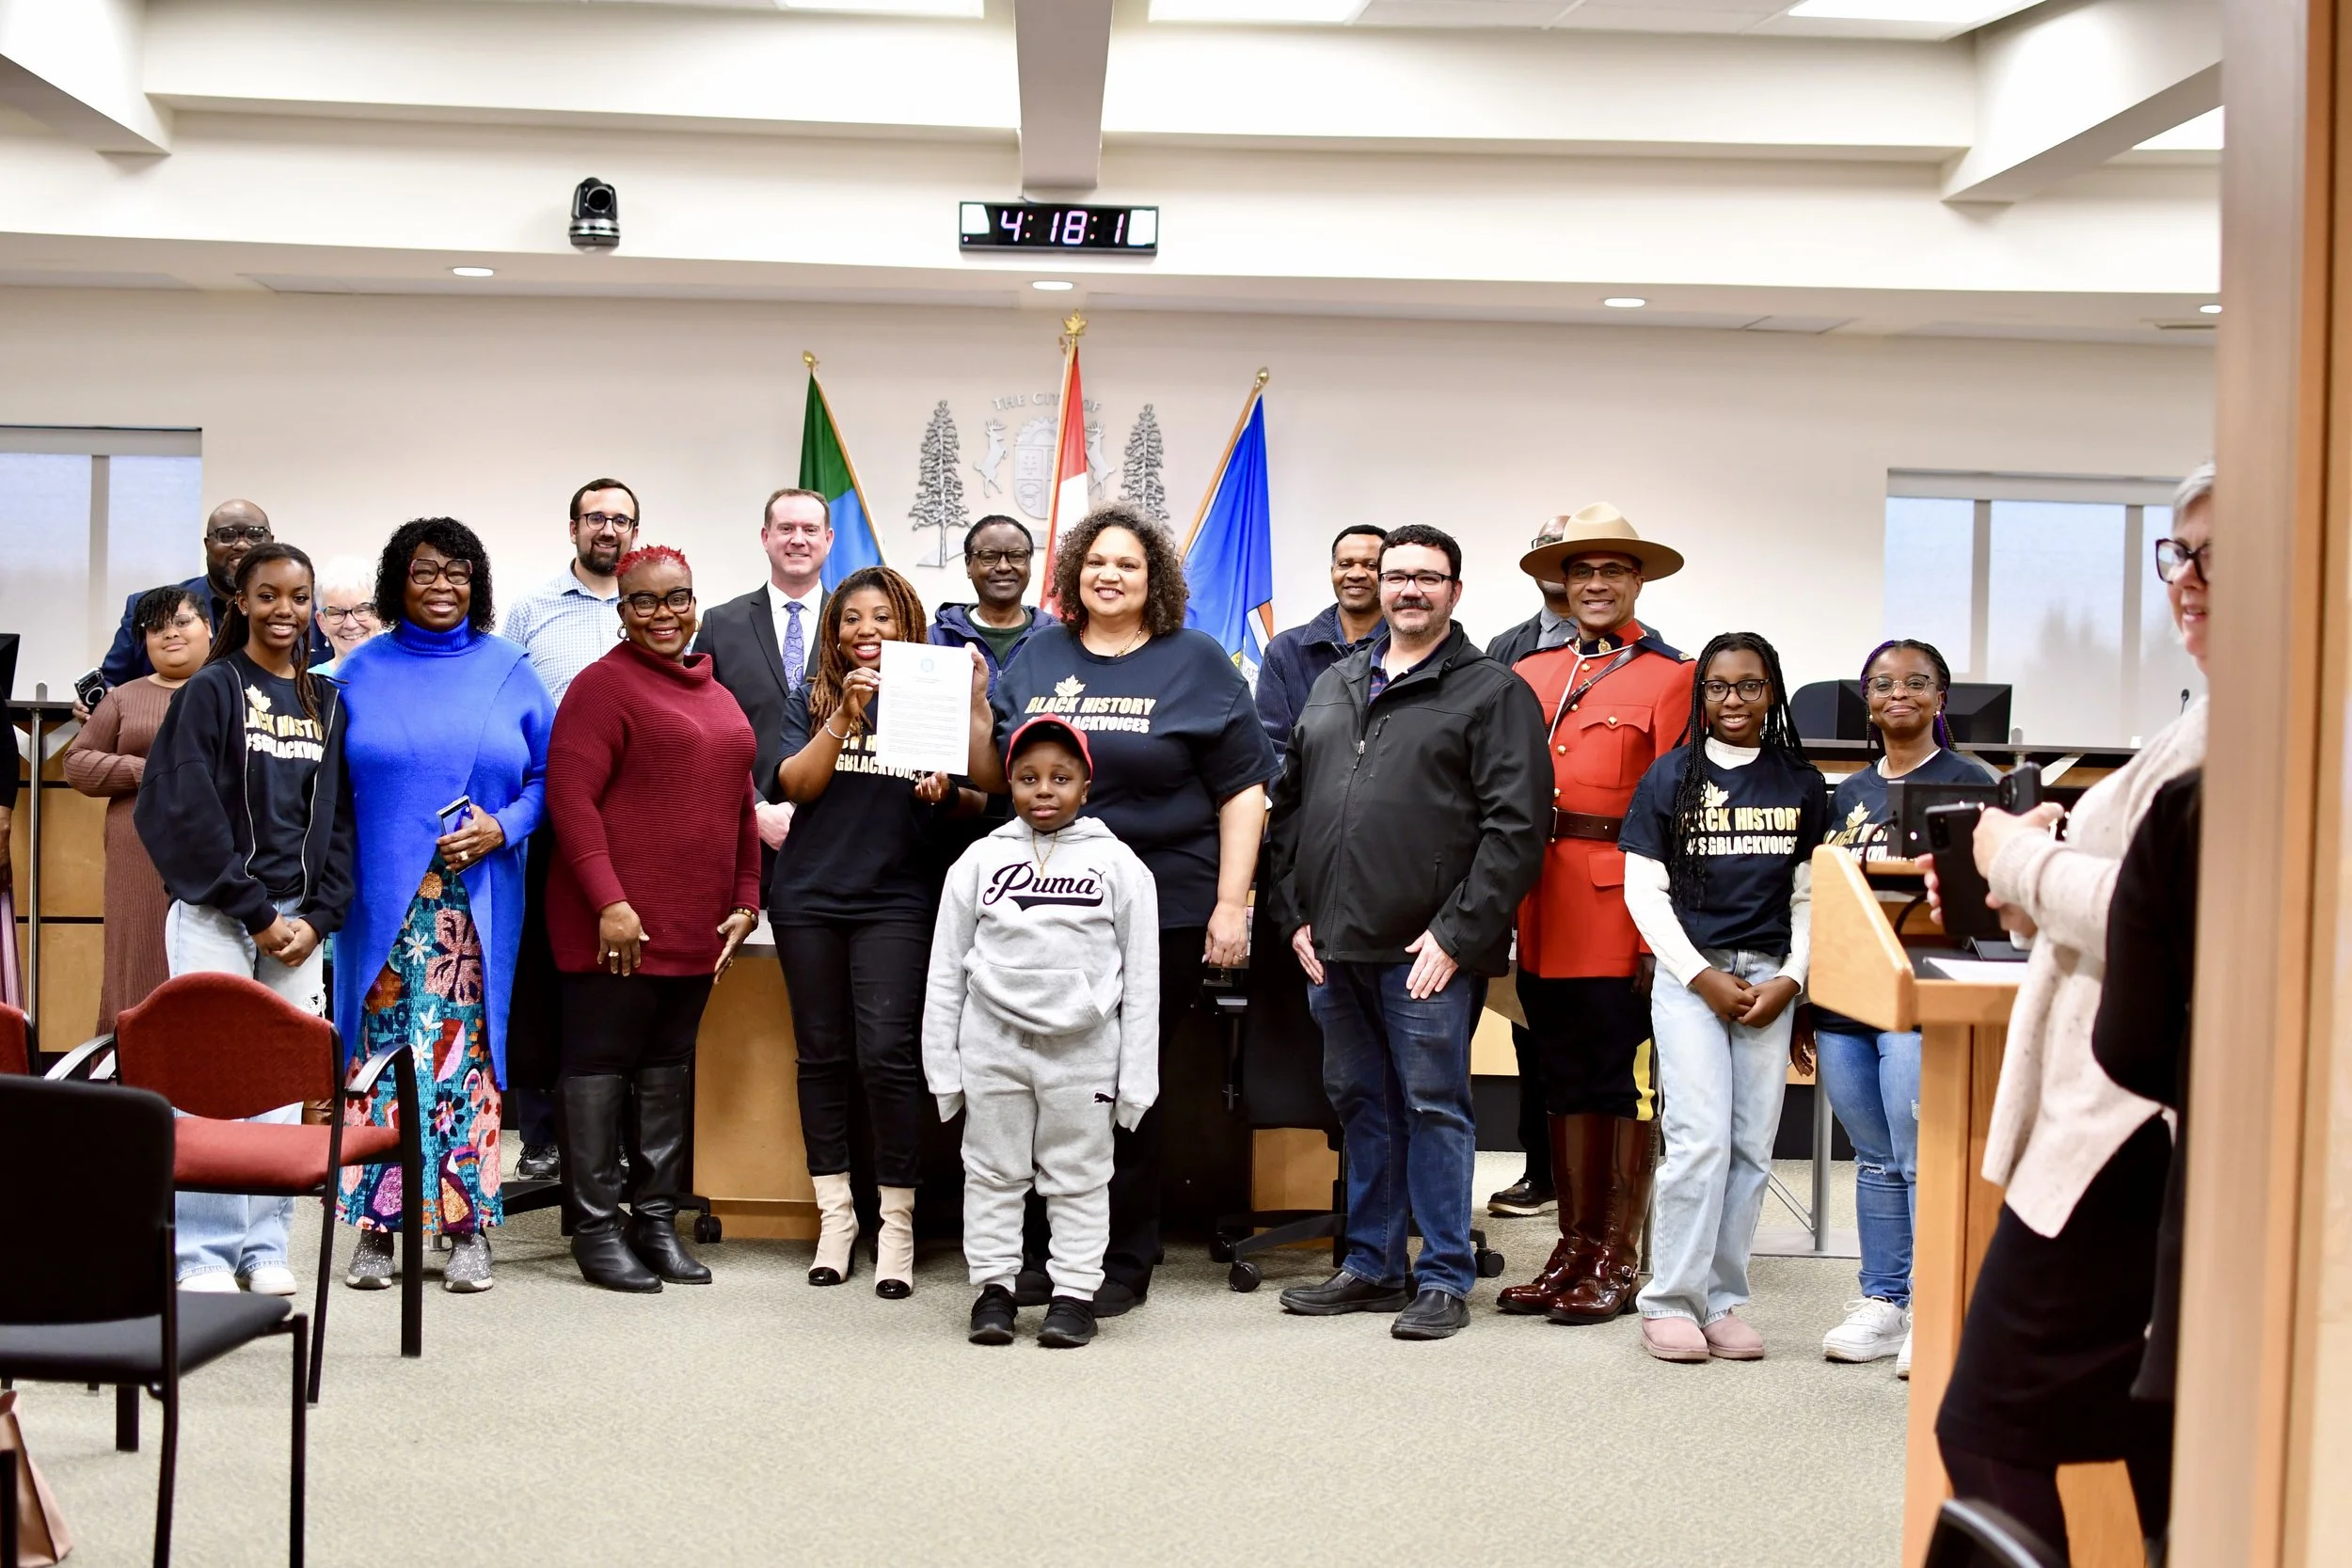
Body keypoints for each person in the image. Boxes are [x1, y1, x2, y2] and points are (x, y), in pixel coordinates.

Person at [1931, 463, 2212, 1554]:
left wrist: (2026, 855)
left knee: (1993, 1421)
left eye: (2213, 553)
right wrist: (2035, 872)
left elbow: (2179, 910)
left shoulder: (2282, 719)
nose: (2186, 576)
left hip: (2134, 1129)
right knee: (2162, 1432)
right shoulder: (2213, 710)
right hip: (2123, 1120)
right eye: (2175, 551)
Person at [974, 504, 1275, 1315]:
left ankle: (1122, 1258)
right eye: (1096, 561)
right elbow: (990, 772)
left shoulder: (1199, 662)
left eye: (1129, 564)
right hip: (1045, 907)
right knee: (1045, 1079)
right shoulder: (1038, 655)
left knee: (1118, 1078)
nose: (1110, 574)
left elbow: (1245, 791)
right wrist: (971, 706)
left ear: (1156, 581)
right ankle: (1045, 1255)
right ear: (1074, 571)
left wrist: (1230, 904)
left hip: (1167, 904)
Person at [1265, 523, 1549, 1341]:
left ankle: (1444, 1276)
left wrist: (1457, 935)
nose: (1409, 590)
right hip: (1333, 947)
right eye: (1397, 576)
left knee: (1434, 1106)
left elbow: (1516, 828)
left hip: (1427, 951)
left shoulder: (1491, 691)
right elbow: (1289, 811)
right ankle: (1371, 1264)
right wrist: (1294, 918)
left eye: (1428, 577)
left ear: (1455, 591)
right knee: (1363, 1105)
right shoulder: (1336, 682)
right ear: (1376, 587)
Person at [333, 519, 555, 1295]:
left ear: (478, 583)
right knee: (379, 1064)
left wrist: (505, 826)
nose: (441, 585)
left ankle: (467, 1228)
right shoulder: (353, 674)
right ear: (398, 580)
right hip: (380, 905)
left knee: (467, 1065)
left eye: (458, 572)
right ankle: (376, 1228)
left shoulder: (512, 670)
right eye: (424, 570)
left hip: (472, 903)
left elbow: (550, 780)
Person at [135, 542, 356, 1294]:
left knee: (277, 1092)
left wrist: (320, 917)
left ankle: (262, 1248)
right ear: (241, 602)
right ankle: (197, 1253)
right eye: (268, 596)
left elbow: (339, 823)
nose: (284, 611)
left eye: (299, 597)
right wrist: (255, 911)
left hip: (297, 929)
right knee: (207, 1086)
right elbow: (181, 809)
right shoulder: (212, 689)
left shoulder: (328, 703)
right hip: (219, 916)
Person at [1495, 507, 1695, 1321]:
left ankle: (1619, 1254)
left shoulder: (1672, 675)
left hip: (1618, 903)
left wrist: (1665, 928)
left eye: (1614, 571)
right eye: (1583, 572)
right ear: (1561, 583)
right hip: (1537, 894)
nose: (1598, 585)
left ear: (1637, 581)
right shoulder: (1531, 673)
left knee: (1617, 1081)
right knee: (1558, 1073)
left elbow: (1679, 808)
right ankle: (1571, 1245)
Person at [544, 545, 761, 1293]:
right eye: (645, 601)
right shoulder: (601, 688)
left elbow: (739, 803)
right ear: (622, 610)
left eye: (677, 598)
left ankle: (655, 1220)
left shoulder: (715, 690)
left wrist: (745, 900)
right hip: (618, 927)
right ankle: (597, 1229)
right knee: (601, 1071)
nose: (663, 614)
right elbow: (569, 802)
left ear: (695, 603)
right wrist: (608, 901)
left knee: (667, 1072)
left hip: (695, 927)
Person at [772, 565, 993, 1297]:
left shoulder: (932, 691)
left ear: (908, 625)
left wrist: (953, 770)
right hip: (809, 896)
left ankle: (896, 1220)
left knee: (889, 1056)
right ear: (834, 632)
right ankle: (836, 1216)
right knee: (821, 1055)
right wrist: (842, 715)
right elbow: (794, 787)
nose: (866, 631)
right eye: (851, 619)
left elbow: (985, 792)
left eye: (883, 617)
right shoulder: (808, 697)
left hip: (897, 898)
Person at [1618, 631, 1829, 1362]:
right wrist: (1700, 975)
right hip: (1692, 977)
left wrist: (1792, 980)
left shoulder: (1801, 783)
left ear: (1771, 691)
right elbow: (1643, 892)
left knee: (1749, 1146)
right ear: (1701, 694)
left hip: (1769, 977)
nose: (1732, 700)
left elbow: (1810, 897)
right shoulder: (1669, 777)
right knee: (1698, 1141)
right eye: (1717, 687)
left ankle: (1723, 1299)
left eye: (1748, 685)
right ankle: (1669, 1301)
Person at [928, 717, 1160, 1349]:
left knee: (1080, 1176)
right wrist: (942, 1069)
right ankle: (995, 1290)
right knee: (993, 1173)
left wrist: (1137, 1080)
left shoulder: (1118, 864)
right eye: (1028, 778)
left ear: (1087, 783)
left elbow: (1142, 978)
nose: (1044, 790)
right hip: (993, 1048)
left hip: (1083, 1054)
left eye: (1061, 777)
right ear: (1009, 783)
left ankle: (1074, 1295)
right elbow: (945, 969)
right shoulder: (979, 859)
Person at [1810, 638, 1993, 1372]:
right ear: (1868, 699)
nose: (1899, 694)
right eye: (1884, 683)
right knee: (1877, 1156)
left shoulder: (1971, 782)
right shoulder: (1846, 794)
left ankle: (1932, 1304)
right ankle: (1882, 1302)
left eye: (1917, 682)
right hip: (1847, 1001)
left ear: (1940, 697)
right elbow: (1823, 898)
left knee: (1920, 1158)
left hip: (1922, 999)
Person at [498, 477, 642, 1182]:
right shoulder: (531, 609)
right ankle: (543, 1136)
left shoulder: (651, 607)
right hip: (547, 815)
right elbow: (501, 709)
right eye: (595, 518)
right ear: (574, 527)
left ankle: (608, 1138)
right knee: (541, 973)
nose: (607, 529)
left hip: (633, 823)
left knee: (611, 978)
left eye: (621, 519)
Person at [1482, 506, 1580, 1219]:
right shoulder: (1504, 645)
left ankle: (1592, 1175)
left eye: (1568, 545)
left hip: (1595, 862)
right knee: (1525, 1015)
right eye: (1545, 542)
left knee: (1596, 1025)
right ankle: (1539, 1168)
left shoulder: (1655, 654)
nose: (1556, 554)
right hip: (1519, 855)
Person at [65, 585, 212, 1032]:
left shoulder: (232, 689)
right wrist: (146, 770)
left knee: (206, 965)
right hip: (136, 852)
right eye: (157, 628)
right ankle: (128, 1085)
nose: (171, 634)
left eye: (183, 622)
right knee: (136, 959)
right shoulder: (122, 697)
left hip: (214, 851)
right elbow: (77, 763)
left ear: (208, 628)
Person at [697, 486, 834, 856]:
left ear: (829, 538)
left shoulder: (856, 627)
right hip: (742, 836)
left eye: (810, 529)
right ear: (766, 537)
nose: (798, 540)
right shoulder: (719, 624)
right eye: (786, 528)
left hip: (837, 834)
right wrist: (756, 809)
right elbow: (702, 732)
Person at [93, 499, 330, 702]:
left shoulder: (306, 614)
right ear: (208, 545)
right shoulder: (152, 608)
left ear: (271, 541)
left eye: (255, 535)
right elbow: (111, 686)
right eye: (226, 535)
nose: (241, 544)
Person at [1255, 524, 1386, 760]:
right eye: (1345, 564)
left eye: (1371, 565)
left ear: (1390, 576)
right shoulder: (1284, 651)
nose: (1356, 574)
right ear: (1332, 571)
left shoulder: (1409, 649)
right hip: (1307, 796)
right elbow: (1271, 750)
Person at [929, 515, 1047, 688]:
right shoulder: (935, 640)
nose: (1004, 567)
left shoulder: (1057, 638)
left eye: (1016, 556)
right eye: (989, 557)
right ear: (968, 565)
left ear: (1029, 564)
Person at [311, 555, 381, 670]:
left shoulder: (404, 675)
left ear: (379, 614)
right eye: (336, 613)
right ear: (321, 622)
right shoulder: (308, 684)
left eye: (361, 610)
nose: (350, 624)